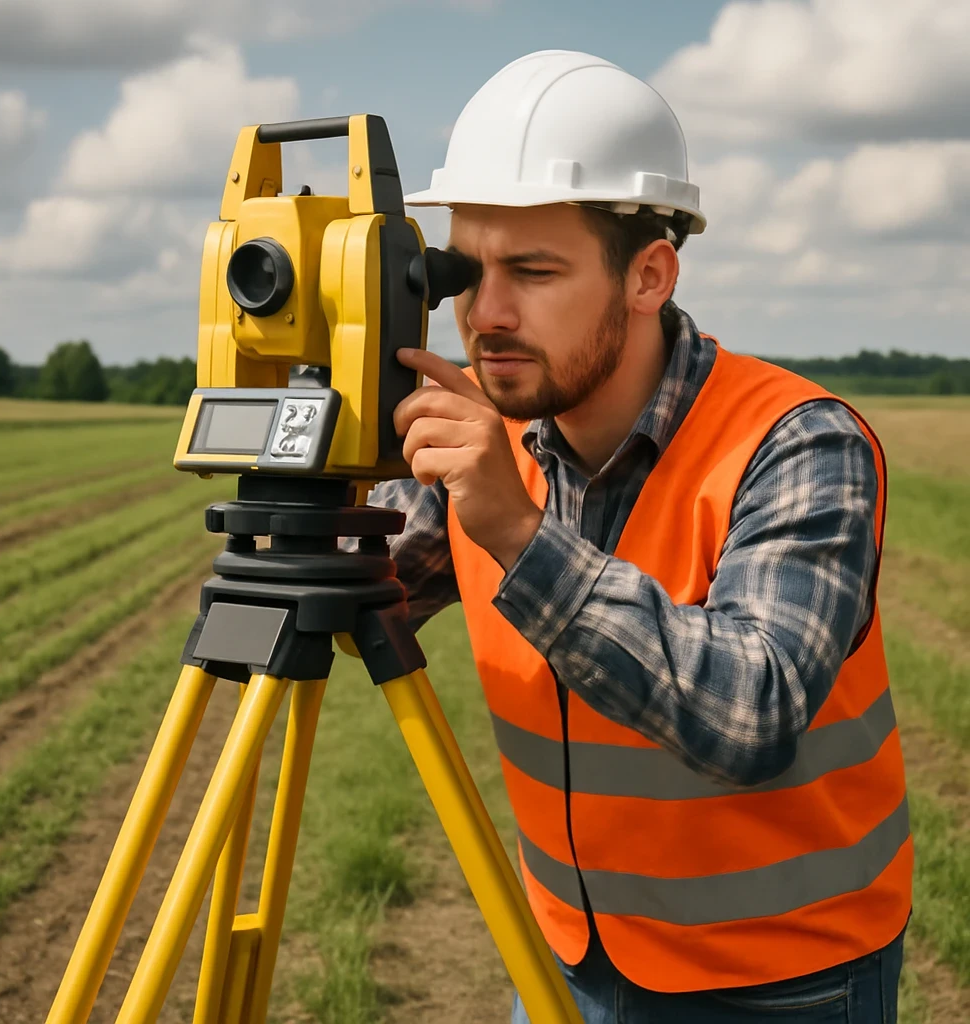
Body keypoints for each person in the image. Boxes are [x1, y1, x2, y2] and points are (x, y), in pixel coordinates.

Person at [369, 50, 912, 1022]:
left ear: (649, 275)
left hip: (778, 979)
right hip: (566, 958)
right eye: (464, 270)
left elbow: (754, 711)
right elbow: (366, 590)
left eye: (532, 272)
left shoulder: (796, 442)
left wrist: (520, 533)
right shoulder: (486, 437)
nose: (483, 314)